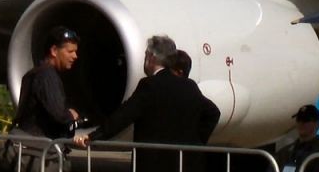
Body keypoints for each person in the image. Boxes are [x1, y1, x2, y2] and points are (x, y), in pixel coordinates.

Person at [74, 36, 220, 172]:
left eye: (146, 55)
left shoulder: (149, 85)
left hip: (154, 163)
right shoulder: (189, 86)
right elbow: (213, 113)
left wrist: (94, 136)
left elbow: (123, 116)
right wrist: (196, 143)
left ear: (152, 57)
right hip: (185, 164)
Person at [9, 26, 82, 170]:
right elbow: (58, 114)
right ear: (54, 51)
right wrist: (71, 115)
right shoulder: (47, 76)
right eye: (70, 51)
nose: (75, 56)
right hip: (40, 155)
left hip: (30, 151)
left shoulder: (32, 74)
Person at [278, 104, 319, 172]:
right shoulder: (285, 151)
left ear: (317, 123)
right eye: (299, 119)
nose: (301, 123)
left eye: (306, 120)